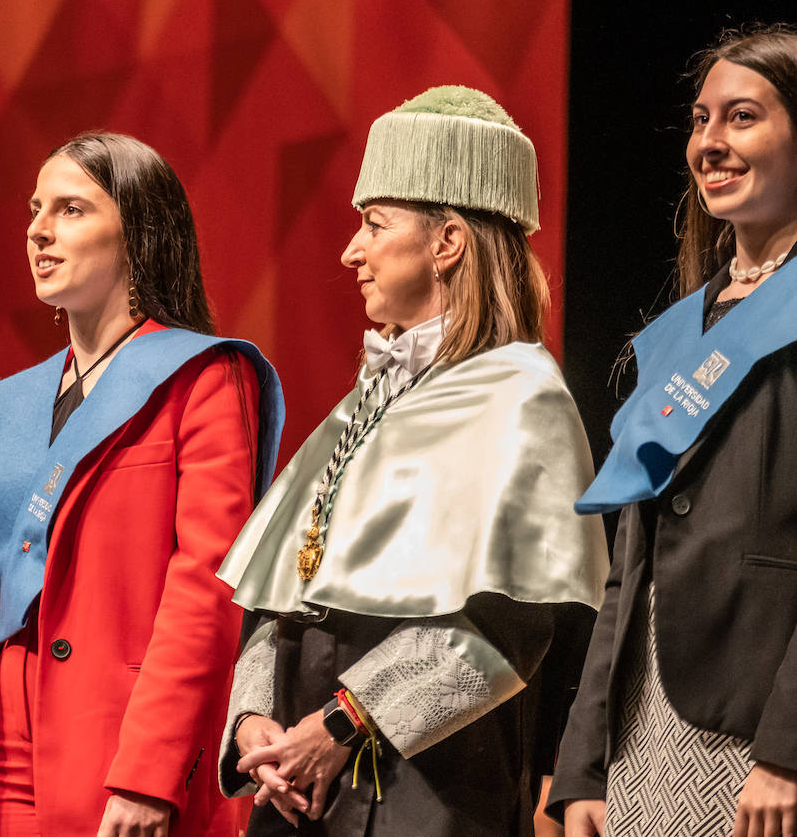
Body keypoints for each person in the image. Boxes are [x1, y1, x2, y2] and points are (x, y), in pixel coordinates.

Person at [217, 87, 611, 836]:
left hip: (427, 796)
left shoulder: (523, 399)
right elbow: (285, 589)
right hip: (297, 789)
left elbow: (509, 628)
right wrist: (255, 720)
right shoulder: (366, 400)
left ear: (447, 242)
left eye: (374, 225)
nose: (351, 251)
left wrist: (340, 726)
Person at [0, 131, 284, 836]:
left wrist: (150, 770)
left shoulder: (201, 378)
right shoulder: (10, 402)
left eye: (72, 209)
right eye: (34, 209)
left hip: (119, 751)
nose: (38, 231)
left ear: (139, 233)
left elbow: (207, 585)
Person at [549, 25, 797, 837]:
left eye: (743, 117)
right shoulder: (679, 332)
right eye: (700, 120)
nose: (711, 142)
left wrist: (788, 749)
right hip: (643, 729)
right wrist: (585, 760)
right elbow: (630, 564)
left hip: (758, 731)